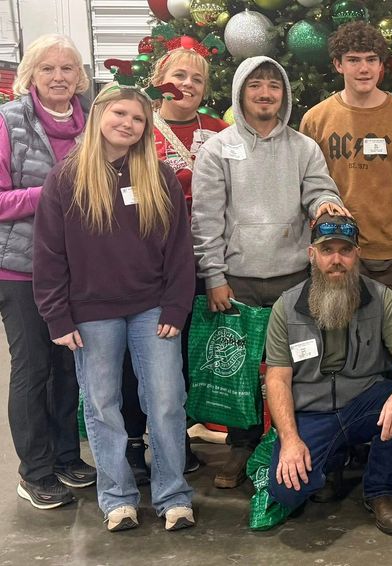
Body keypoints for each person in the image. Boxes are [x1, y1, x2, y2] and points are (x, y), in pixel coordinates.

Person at [33, 81, 196, 532]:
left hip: (152, 309)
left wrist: (175, 307)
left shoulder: (158, 177)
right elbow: (49, 255)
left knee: (166, 401)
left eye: (138, 118)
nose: (128, 123)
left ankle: (173, 495)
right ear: (99, 115)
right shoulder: (65, 178)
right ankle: (118, 498)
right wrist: (57, 316)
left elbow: (179, 250)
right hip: (91, 313)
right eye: (119, 113)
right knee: (102, 406)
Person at [192, 56, 346, 490]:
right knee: (241, 370)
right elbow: (205, 218)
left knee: (299, 363)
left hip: (294, 279)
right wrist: (213, 276)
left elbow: (319, 188)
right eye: (255, 85)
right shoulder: (217, 149)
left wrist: (326, 204)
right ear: (241, 92)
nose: (265, 93)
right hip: (237, 280)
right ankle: (241, 447)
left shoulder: (303, 147)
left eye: (273, 86)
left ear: (285, 94)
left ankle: (294, 440)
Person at [265, 213, 392, 535]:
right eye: (327, 250)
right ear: (312, 255)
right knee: (288, 492)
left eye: (345, 250)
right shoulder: (286, 306)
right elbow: (277, 378)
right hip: (311, 411)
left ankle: (381, 491)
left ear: (357, 255)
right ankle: (332, 462)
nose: (336, 260)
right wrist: (290, 439)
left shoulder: (381, 298)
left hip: (363, 402)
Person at [122, 43, 229, 485]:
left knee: (182, 355)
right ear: (159, 80)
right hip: (149, 263)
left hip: (202, 260)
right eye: (179, 76)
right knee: (137, 354)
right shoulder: (139, 127)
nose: (187, 85)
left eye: (197, 79)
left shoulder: (220, 131)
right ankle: (133, 441)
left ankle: (176, 441)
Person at [0, 34, 96, 510]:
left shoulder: (93, 121)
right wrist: (51, 193)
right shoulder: (8, 120)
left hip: (79, 270)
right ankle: (34, 471)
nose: (59, 77)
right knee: (34, 368)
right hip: (22, 270)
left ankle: (65, 457)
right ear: (30, 75)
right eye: (47, 68)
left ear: (80, 77)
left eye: (68, 68)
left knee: (67, 369)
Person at [301, 21, 392, 317]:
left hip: (391, 250)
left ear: (381, 64)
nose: (364, 69)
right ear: (338, 64)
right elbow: (307, 187)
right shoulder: (316, 120)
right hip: (336, 247)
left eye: (371, 59)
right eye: (354, 60)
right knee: (340, 333)